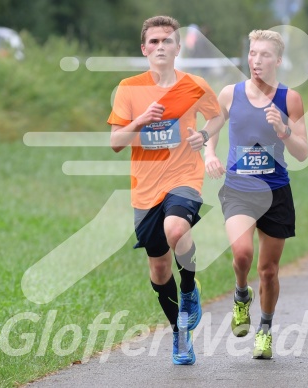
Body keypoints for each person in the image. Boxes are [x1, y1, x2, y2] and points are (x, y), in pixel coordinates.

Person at [108, 15, 224, 365]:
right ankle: (180, 333)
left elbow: (218, 117)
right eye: (154, 42)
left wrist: (203, 137)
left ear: (177, 48)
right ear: (144, 49)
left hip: (184, 177)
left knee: (177, 228)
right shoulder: (129, 88)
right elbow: (115, 142)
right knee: (159, 269)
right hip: (145, 190)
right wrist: (140, 120)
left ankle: (189, 290)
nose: (161, 46)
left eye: (167, 41)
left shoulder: (194, 85)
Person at [204, 29, 308, 359]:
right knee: (242, 255)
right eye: (252, 53)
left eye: (264, 55)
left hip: (276, 192)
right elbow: (211, 129)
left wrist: (284, 130)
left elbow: (303, 151)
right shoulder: (230, 94)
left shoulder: (289, 99)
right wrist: (209, 154)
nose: (256, 60)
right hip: (239, 190)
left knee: (268, 271)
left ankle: (264, 330)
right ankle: (240, 295)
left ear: (277, 60)